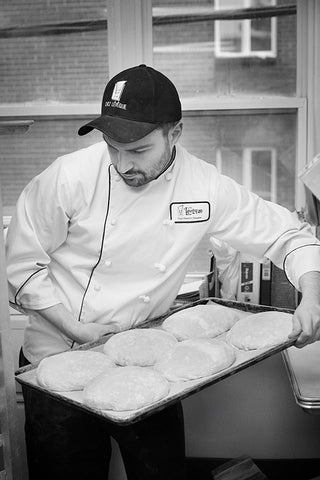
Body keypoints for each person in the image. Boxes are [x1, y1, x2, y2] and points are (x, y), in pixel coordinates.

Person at [6, 64, 320, 480]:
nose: (122, 163)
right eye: (113, 147)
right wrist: (78, 331)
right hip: (57, 358)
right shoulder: (68, 178)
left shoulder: (204, 187)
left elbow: (288, 236)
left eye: (138, 150)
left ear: (175, 133)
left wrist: (313, 295)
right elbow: (23, 263)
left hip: (148, 363)